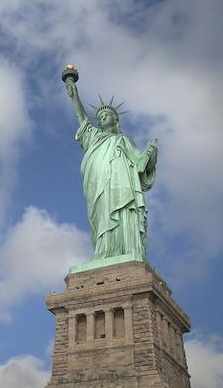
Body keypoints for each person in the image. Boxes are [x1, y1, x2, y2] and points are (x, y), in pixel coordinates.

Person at [65, 80, 158, 261]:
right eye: (99, 117)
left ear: (115, 119)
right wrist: (74, 94)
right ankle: (105, 251)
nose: (102, 119)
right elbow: (81, 117)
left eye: (106, 115)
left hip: (123, 183)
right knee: (102, 215)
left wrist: (151, 155)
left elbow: (141, 166)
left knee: (125, 211)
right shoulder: (93, 137)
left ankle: (128, 250)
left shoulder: (124, 141)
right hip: (98, 183)